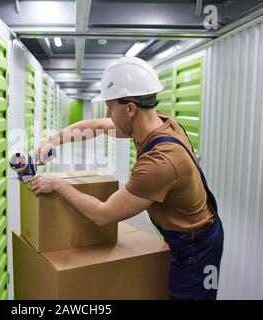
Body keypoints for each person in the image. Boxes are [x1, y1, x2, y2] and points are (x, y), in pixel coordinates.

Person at [31, 57, 224, 300]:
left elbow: (103, 214)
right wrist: (53, 139)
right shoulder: (157, 123)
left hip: (197, 247)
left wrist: (58, 184)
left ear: (130, 108)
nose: (107, 113)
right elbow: (97, 127)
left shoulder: (159, 163)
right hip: (184, 236)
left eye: (110, 106)